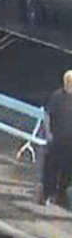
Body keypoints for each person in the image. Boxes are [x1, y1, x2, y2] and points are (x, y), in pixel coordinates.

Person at [40, 70, 72, 206]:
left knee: (67, 169)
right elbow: (47, 115)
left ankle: (61, 195)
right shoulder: (57, 96)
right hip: (57, 139)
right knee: (51, 168)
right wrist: (48, 134)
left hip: (70, 142)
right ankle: (47, 193)